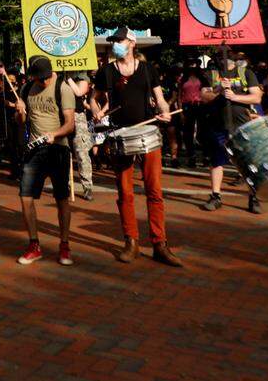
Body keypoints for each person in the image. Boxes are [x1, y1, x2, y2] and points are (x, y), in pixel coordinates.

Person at [91, 27, 182, 267]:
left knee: (154, 191)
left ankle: (159, 243)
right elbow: (93, 97)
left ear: (132, 42)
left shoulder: (148, 69)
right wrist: (97, 112)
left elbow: (160, 98)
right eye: (114, 42)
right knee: (125, 192)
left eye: (119, 40)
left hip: (148, 133)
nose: (115, 45)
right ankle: (131, 241)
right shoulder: (107, 72)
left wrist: (164, 113)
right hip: (121, 135)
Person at [13, 57, 76, 266]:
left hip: (58, 148)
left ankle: (64, 245)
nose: (44, 82)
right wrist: (19, 112)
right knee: (26, 196)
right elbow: (21, 122)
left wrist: (54, 134)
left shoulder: (62, 88)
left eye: (46, 78)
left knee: (62, 198)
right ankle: (34, 245)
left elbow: (70, 125)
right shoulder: (26, 89)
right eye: (40, 79)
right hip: (34, 149)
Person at [199, 55, 262, 213]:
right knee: (216, 160)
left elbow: (257, 97)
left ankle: (253, 197)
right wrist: (220, 90)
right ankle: (216, 196)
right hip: (218, 124)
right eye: (221, 54)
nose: (226, 57)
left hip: (243, 125)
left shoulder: (246, 73)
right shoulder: (211, 74)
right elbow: (204, 96)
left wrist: (235, 97)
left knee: (248, 162)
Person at [66, 72, 95, 201]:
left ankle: (87, 186)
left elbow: (79, 92)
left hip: (77, 116)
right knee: (64, 153)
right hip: (62, 116)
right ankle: (65, 185)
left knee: (82, 153)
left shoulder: (82, 76)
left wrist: (68, 79)